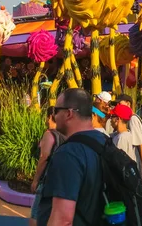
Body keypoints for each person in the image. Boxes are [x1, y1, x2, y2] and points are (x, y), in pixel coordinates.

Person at [36, 88, 106, 226]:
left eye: (56, 111)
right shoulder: (104, 141)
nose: (54, 116)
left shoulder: (69, 153)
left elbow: (62, 220)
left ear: (68, 113)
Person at [30, 107, 65, 226]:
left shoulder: (49, 134)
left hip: (47, 179)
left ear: (50, 117)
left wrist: (35, 180)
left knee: (36, 214)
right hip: (59, 180)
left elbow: (44, 158)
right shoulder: (64, 134)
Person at [114, 94, 142, 186]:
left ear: (128, 104)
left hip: (135, 163)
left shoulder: (133, 119)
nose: (117, 106)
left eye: (120, 103)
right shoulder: (132, 118)